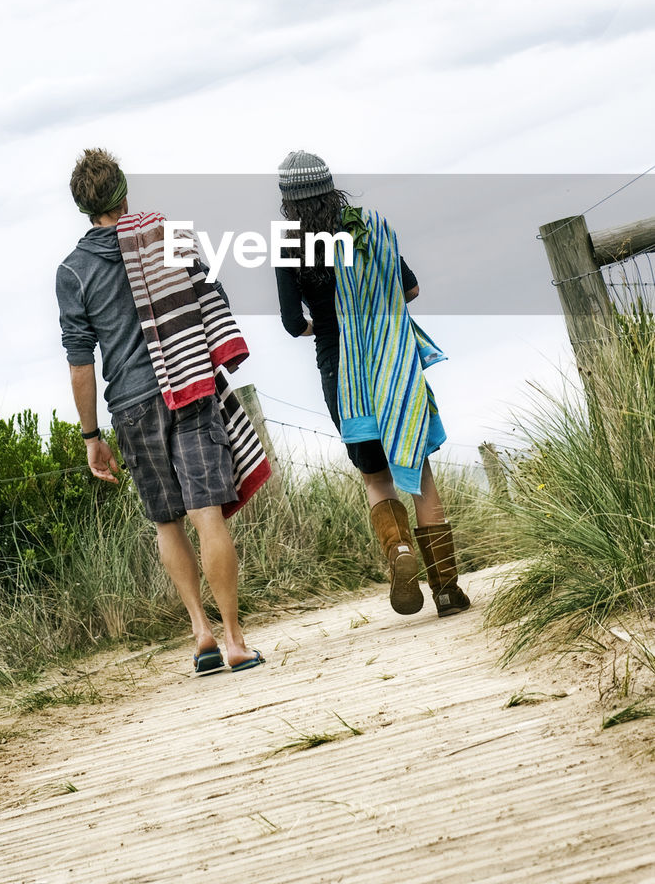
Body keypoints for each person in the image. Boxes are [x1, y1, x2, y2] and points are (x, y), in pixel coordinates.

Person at [56, 148, 265, 673]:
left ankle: (201, 634)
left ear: (83, 207)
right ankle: (236, 640)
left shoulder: (72, 272)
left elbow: (80, 362)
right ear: (124, 192)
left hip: (129, 406)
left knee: (167, 522)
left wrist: (90, 436)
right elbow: (209, 295)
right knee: (206, 513)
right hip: (189, 383)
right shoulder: (166, 237)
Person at [275, 150, 470, 618]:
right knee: (419, 473)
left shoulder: (289, 245)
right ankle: (446, 590)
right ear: (330, 187)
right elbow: (411, 289)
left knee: (376, 478)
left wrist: (326, 326)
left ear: (289, 201)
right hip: (395, 367)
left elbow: (289, 322)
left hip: (341, 374)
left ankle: (400, 555)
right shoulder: (370, 228)